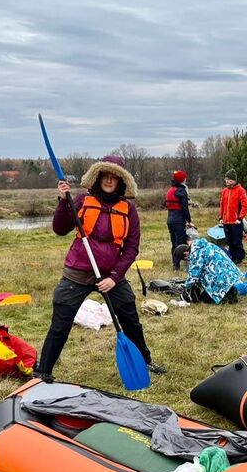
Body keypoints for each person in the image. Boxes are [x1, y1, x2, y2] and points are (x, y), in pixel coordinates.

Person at [34, 155, 165, 378]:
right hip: (77, 272)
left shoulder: (129, 210)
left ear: (121, 181)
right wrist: (63, 201)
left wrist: (114, 277)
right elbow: (60, 228)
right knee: (60, 324)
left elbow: (131, 248)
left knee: (131, 321)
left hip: (111, 275)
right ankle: (43, 371)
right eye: (105, 175)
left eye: (115, 177)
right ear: (98, 177)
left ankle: (145, 361)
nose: (109, 180)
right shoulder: (81, 201)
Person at [165, 169, 195, 269]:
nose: (186, 179)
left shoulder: (171, 190)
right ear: (182, 180)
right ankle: (180, 266)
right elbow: (184, 208)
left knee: (174, 243)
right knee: (180, 244)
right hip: (178, 220)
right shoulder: (181, 191)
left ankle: (175, 264)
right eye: (184, 178)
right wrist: (189, 221)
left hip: (170, 220)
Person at [218, 171, 247, 264]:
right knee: (229, 241)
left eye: (229, 179)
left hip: (236, 222)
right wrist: (221, 217)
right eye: (226, 179)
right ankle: (232, 257)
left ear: (234, 180)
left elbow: (245, 205)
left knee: (237, 241)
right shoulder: (224, 191)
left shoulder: (241, 190)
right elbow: (222, 205)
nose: (227, 181)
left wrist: (240, 218)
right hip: (226, 222)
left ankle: (239, 258)